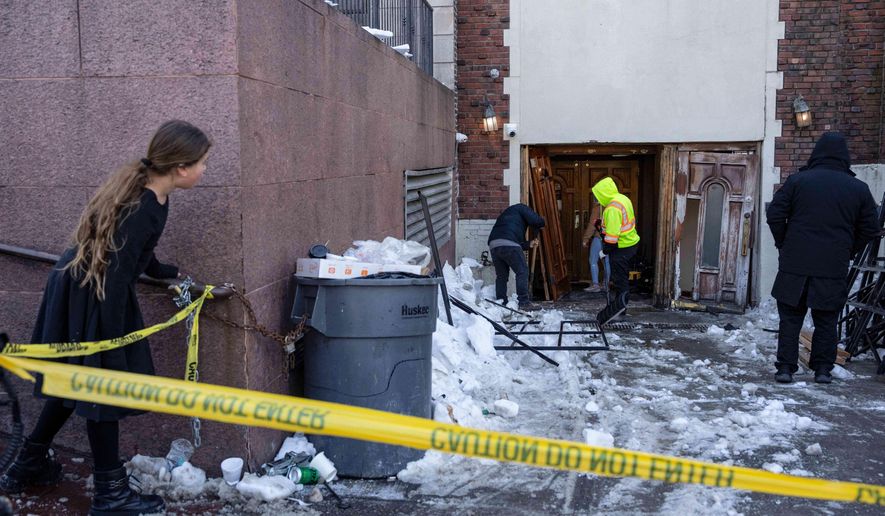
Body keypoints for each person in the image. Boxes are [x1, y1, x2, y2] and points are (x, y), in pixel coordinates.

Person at [0, 120, 211, 515]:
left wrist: (161, 270)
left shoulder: (154, 198)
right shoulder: (143, 205)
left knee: (75, 383)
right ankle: (110, 495)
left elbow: (135, 253)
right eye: (202, 163)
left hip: (87, 288)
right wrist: (112, 342)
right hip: (93, 293)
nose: (204, 170)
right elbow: (113, 279)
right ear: (181, 167)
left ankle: (27, 464)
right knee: (100, 389)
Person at [767, 132, 878, 385]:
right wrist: (849, 249)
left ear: (816, 153)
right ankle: (823, 370)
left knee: (790, 319)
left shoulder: (797, 181)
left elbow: (775, 214)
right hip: (832, 266)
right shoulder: (858, 189)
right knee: (826, 320)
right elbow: (870, 229)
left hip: (795, 265)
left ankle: (785, 368)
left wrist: (784, 243)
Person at [592, 177, 639, 325]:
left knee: (620, 279)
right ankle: (620, 306)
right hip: (631, 242)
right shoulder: (622, 198)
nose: (596, 199)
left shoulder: (612, 209)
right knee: (621, 277)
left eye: (597, 195)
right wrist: (602, 225)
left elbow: (612, 238)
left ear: (603, 193)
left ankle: (620, 309)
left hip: (622, 247)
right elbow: (619, 225)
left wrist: (604, 251)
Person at [487, 203, 545, 310]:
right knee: (522, 271)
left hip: (494, 244)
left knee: (501, 276)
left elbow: (515, 243)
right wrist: (542, 222)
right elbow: (536, 221)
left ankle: (501, 301)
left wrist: (529, 244)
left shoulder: (508, 216)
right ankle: (524, 302)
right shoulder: (522, 207)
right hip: (508, 243)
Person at [582, 204, 610, 292]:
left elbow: (592, 225)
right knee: (607, 262)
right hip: (611, 238)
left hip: (599, 238)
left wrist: (586, 238)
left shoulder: (598, 208)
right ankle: (606, 284)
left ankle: (595, 285)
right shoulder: (613, 206)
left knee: (593, 261)